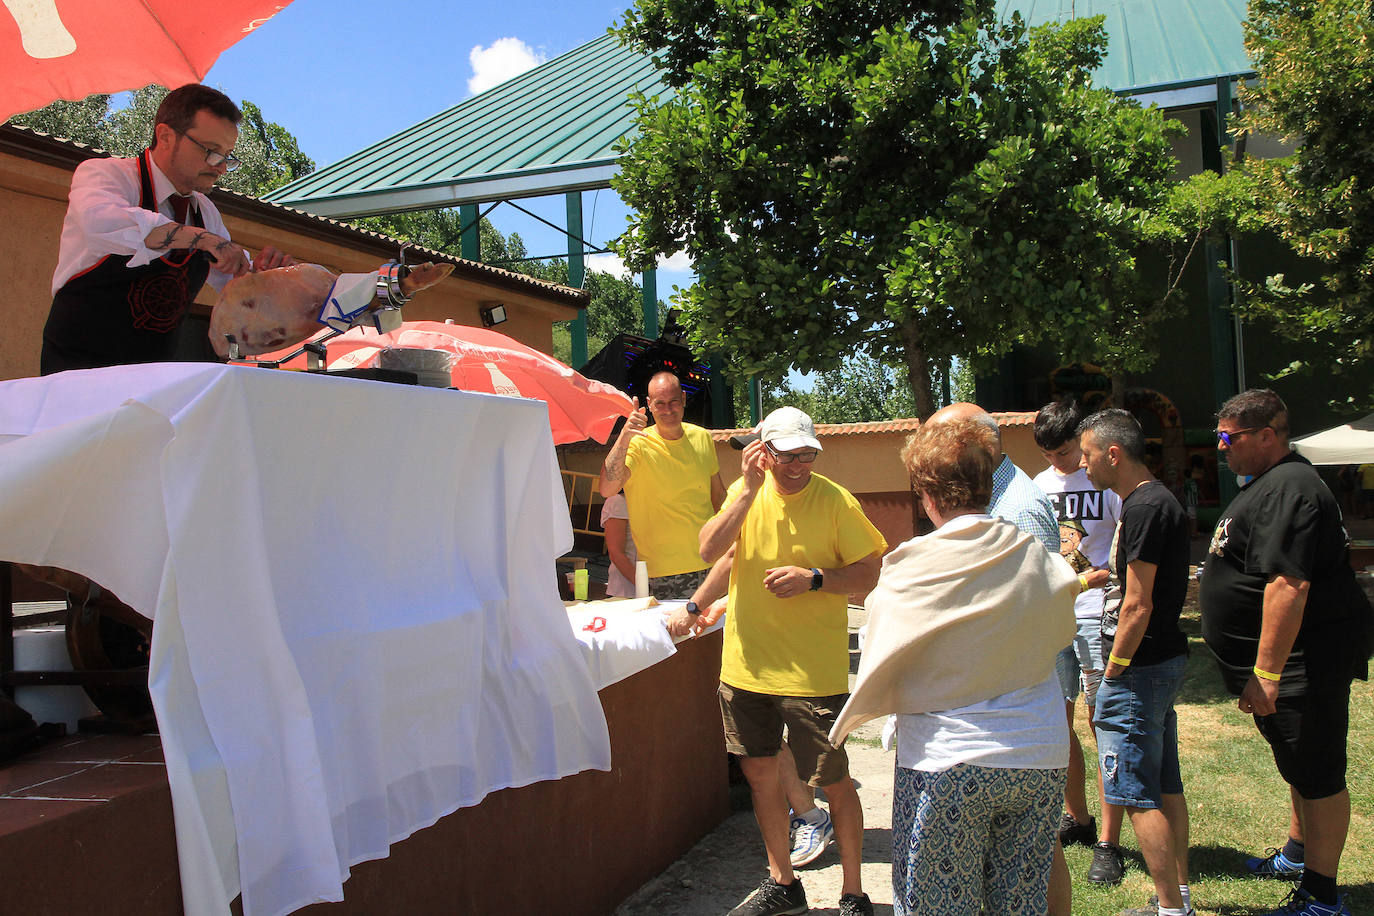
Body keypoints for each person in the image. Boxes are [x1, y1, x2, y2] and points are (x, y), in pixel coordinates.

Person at [831, 417, 1078, 916]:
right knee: (1019, 905)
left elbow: (880, 652)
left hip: (949, 761)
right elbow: (1059, 628)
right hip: (1037, 754)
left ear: (926, 494)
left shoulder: (913, 565)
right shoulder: (1032, 553)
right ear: (990, 483)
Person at [686, 406, 886, 916]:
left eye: (807, 455)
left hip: (811, 674)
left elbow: (871, 571)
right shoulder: (746, 493)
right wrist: (748, 491)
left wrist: (816, 579)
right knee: (759, 775)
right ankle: (783, 881)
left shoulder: (835, 500)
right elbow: (711, 549)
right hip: (746, 667)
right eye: (788, 455)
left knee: (834, 782)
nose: (799, 465)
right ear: (765, 453)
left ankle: (854, 893)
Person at [1199, 389, 1373, 916]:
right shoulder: (1272, 484)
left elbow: (1288, 586)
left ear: (1267, 436)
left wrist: (1268, 672)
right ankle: (1299, 856)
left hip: (1305, 662)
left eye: (1230, 438)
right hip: (1292, 663)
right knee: (1298, 764)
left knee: (1317, 774)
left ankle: (1321, 895)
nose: (1222, 449)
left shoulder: (1292, 487)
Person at [927, 401, 1074, 914]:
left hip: (1014, 707)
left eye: (939, 443)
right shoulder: (994, 494)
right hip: (1006, 707)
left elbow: (1034, 611)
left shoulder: (1015, 507)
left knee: (1034, 853)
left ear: (973, 446)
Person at [43, 83, 294, 374]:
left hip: (153, 378)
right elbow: (100, 223)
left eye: (227, 156)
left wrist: (265, 277)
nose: (221, 167)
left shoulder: (205, 212)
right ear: (165, 136)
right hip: (77, 373)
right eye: (211, 151)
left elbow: (234, 281)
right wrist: (200, 239)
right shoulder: (107, 175)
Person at [1077, 409, 1195, 916]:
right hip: (1159, 666)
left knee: (1135, 792)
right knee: (1165, 783)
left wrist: (1114, 671)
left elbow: (1137, 603)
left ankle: (1170, 908)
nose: (1083, 467)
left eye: (1086, 455)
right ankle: (1179, 895)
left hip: (1139, 671)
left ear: (1113, 454)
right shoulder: (1151, 501)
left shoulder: (1145, 506)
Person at [1032, 398, 1129, 886]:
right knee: (1057, 720)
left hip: (1097, 614)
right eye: (1050, 454)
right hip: (1054, 618)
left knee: (1102, 722)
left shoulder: (1101, 479)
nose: (1060, 462)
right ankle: (1079, 817)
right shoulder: (1038, 487)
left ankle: (1109, 844)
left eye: (1066, 451)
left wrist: (1100, 578)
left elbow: (1123, 548)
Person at [599, 370, 725, 599]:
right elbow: (607, 488)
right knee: (675, 635)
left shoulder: (702, 437)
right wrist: (624, 435)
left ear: (684, 399)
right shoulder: (637, 444)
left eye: (674, 402)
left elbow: (719, 498)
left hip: (711, 564)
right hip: (663, 574)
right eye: (660, 403)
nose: (668, 410)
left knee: (713, 634)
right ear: (649, 404)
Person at [599, 493, 638, 598]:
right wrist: (644, 586)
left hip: (655, 587)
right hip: (625, 591)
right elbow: (616, 553)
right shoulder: (618, 501)